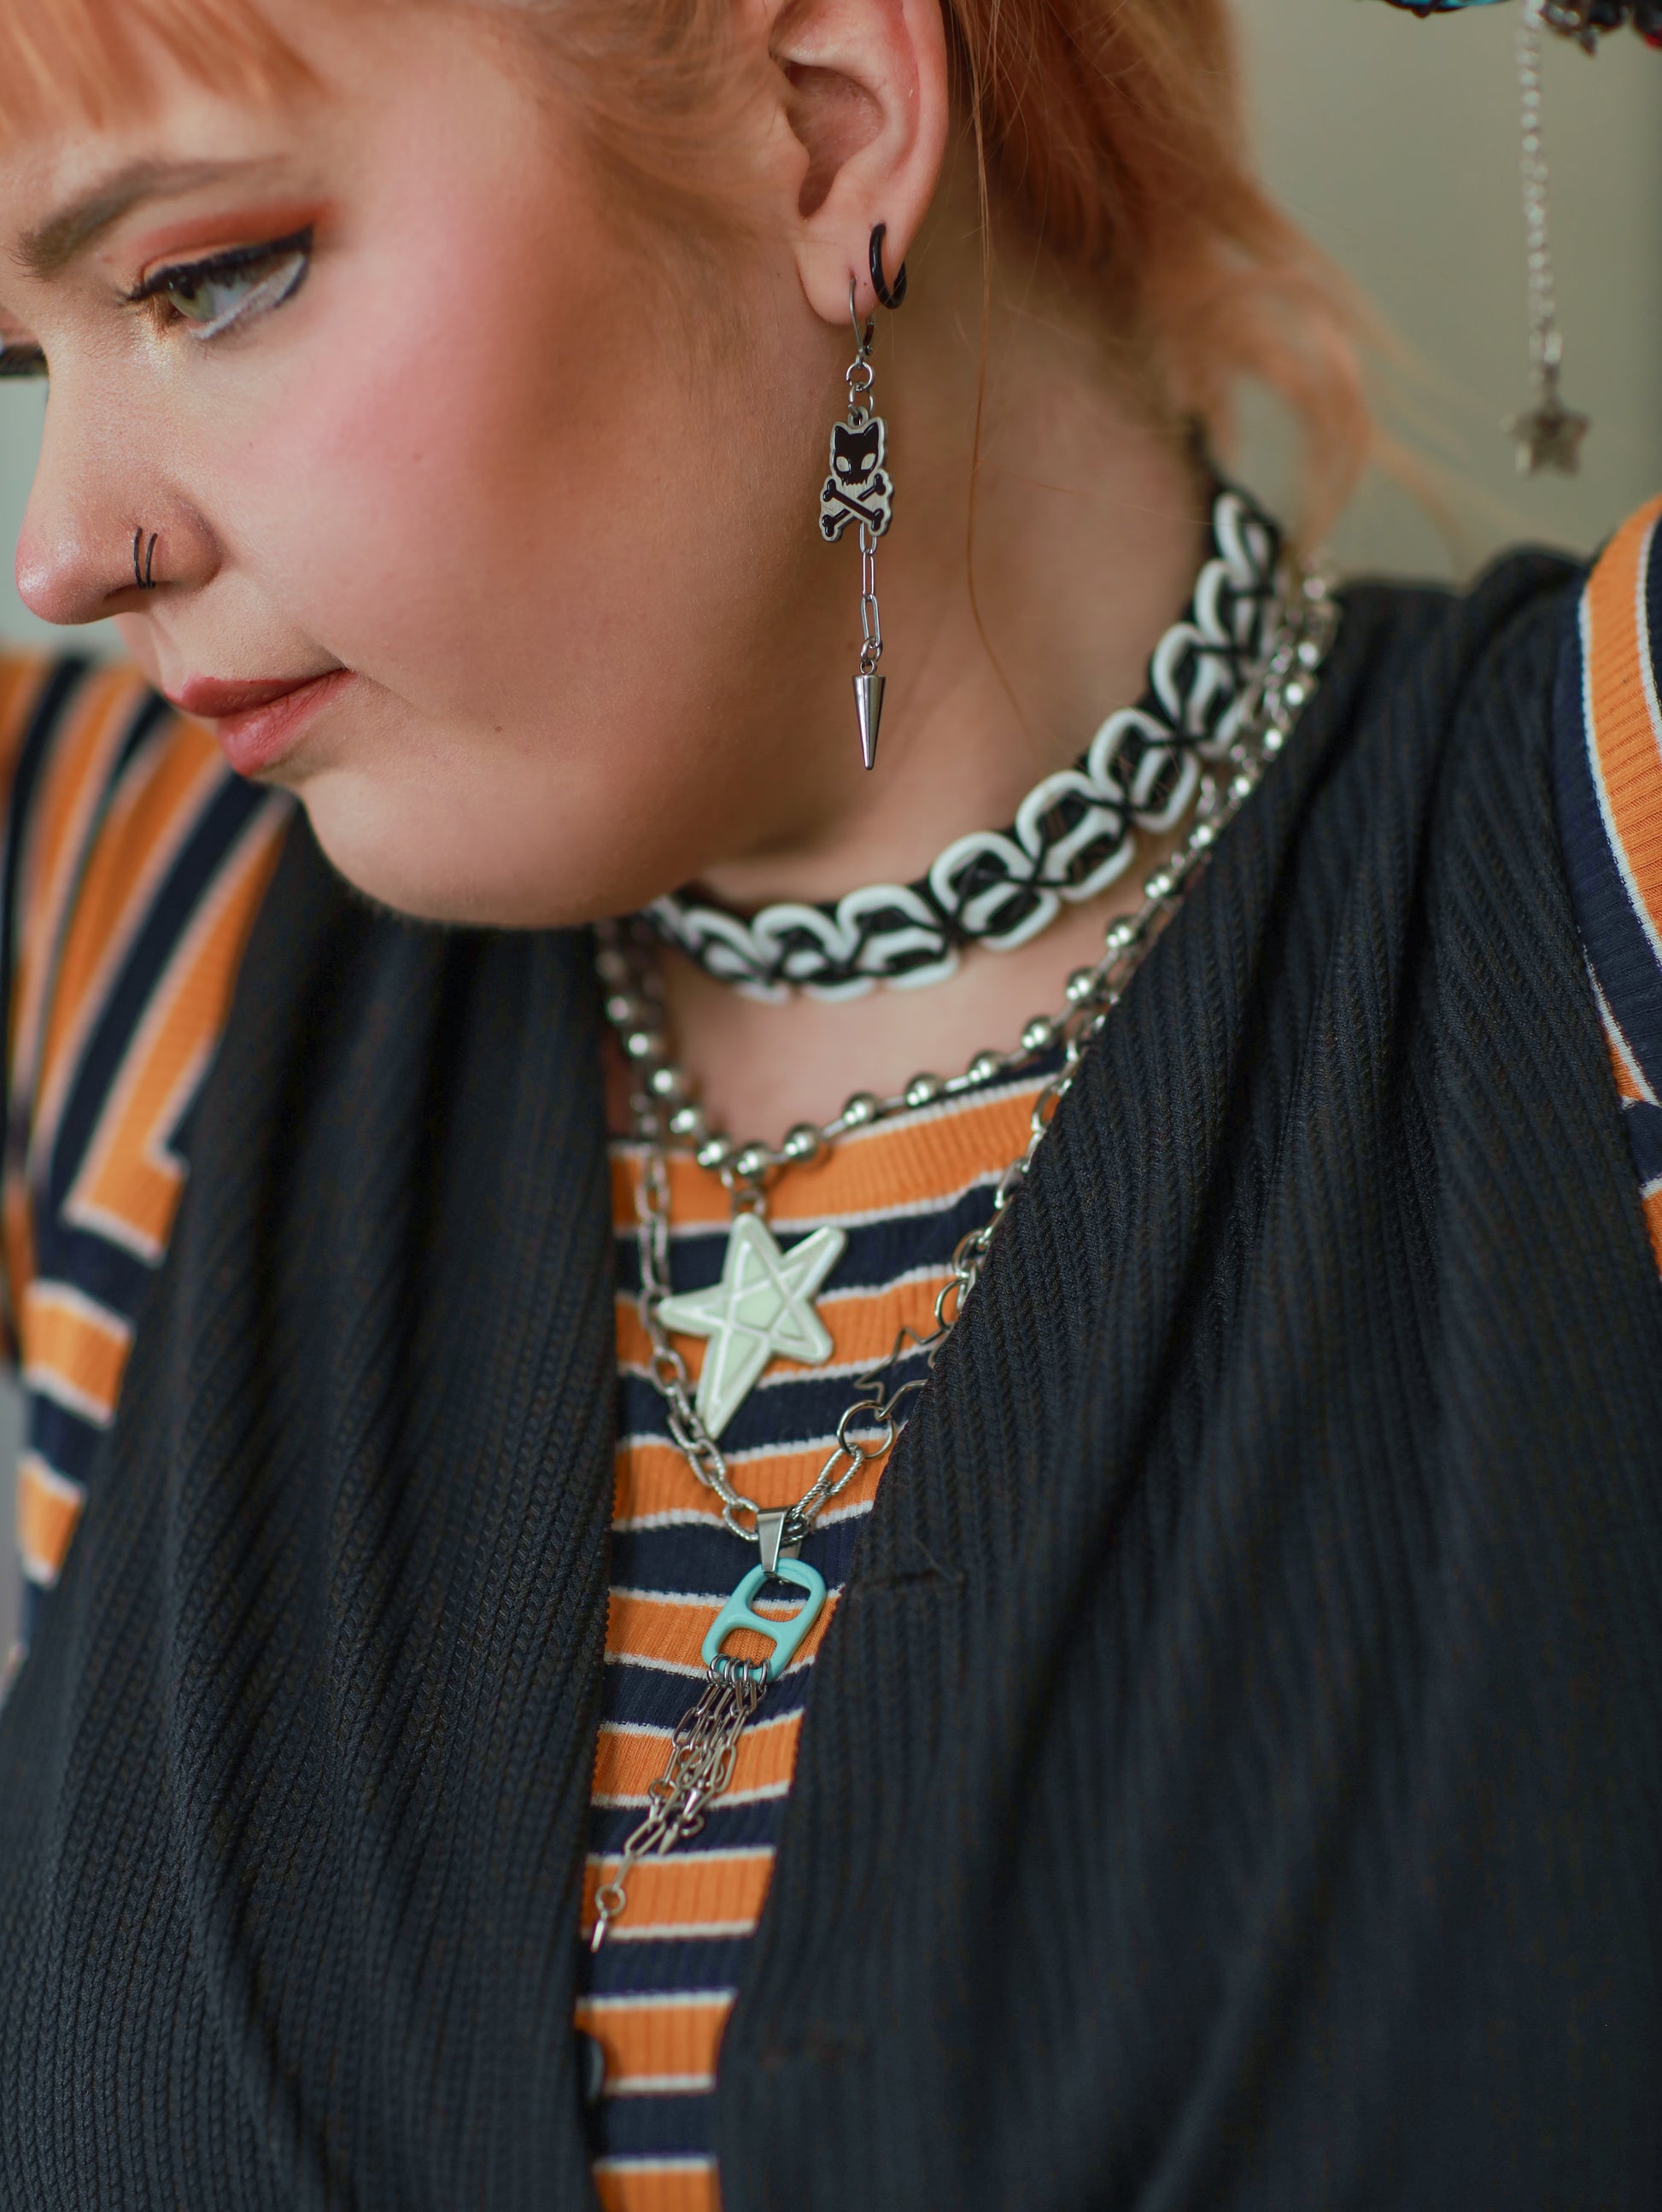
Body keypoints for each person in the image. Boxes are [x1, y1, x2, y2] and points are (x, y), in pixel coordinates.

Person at [0, 0, 1658, 2205]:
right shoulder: (116, 919)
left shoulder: (1592, 866)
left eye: (207, 280)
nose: (65, 546)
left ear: (825, 130)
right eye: (26, 367)